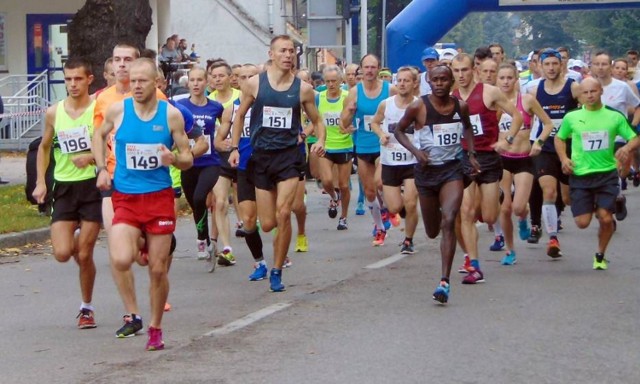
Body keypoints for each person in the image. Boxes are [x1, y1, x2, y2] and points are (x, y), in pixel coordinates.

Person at [92, 58, 193, 350]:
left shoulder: (171, 115)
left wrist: (173, 158)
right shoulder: (118, 110)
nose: (136, 86)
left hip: (159, 198)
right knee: (122, 258)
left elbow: (188, 157)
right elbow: (98, 135)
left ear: (156, 83)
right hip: (126, 196)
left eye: (142, 81)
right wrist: (101, 169)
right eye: (132, 80)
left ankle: (155, 327)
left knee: (158, 271)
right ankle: (142, 244)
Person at [228, 35, 325, 292]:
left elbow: (318, 120)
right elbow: (239, 117)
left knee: (284, 212)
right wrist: (235, 147)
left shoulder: (302, 89)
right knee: (268, 223)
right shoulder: (254, 84)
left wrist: (318, 140)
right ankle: (273, 257)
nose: (288, 55)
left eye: (291, 51)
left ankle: (277, 269)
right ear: (271, 54)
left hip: (289, 157)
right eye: (283, 51)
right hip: (261, 156)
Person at [394, 65, 479, 303]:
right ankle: (435, 228)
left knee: (449, 220)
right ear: (428, 82)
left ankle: (444, 281)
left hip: (452, 170)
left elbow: (468, 128)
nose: (440, 83)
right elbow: (399, 131)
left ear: (451, 82)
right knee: (432, 231)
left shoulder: (460, 106)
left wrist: (470, 154)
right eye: (435, 80)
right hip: (426, 173)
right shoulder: (418, 107)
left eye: (444, 80)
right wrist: (416, 151)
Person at [32, 58, 102, 328]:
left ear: (89, 80)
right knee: (63, 253)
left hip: (92, 187)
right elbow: (44, 147)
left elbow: (109, 146)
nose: (72, 84)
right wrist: (41, 182)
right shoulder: (54, 112)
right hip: (63, 187)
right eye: (68, 79)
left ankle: (86, 308)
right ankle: (75, 235)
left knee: (84, 255)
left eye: (78, 79)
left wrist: (91, 158)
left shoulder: (99, 110)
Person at [450, 53, 523, 284]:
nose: (461, 75)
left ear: (474, 69)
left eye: (465, 70)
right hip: (463, 157)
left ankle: (498, 196)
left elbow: (517, 116)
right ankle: (475, 266)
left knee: (489, 216)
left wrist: (507, 140)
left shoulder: (489, 92)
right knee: (467, 213)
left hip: (489, 158)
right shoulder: (450, 97)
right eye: (456, 70)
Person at [555, 77, 639, 270]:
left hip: (606, 174)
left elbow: (634, 138)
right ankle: (598, 203)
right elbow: (559, 139)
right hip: (580, 175)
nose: (590, 95)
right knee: (582, 223)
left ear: (601, 91)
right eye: (585, 92)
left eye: (593, 91)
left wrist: (627, 148)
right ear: (580, 96)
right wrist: (564, 159)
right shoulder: (572, 117)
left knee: (606, 218)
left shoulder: (614, 116)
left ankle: (600, 255)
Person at [495, 63, 554, 265]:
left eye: (509, 78)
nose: (505, 82)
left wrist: (538, 142)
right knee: (504, 208)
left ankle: (523, 217)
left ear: (516, 79)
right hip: (502, 160)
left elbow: (548, 124)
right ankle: (510, 250)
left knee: (518, 207)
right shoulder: (494, 103)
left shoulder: (527, 100)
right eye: (501, 78)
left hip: (523, 159)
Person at [216, 63, 269, 280]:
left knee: (269, 221)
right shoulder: (233, 108)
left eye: (252, 76)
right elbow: (219, 141)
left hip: (269, 166)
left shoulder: (270, 103)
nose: (247, 80)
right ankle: (260, 262)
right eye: (243, 77)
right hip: (245, 167)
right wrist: (229, 145)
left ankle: (282, 250)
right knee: (248, 220)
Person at [341, 54, 397, 246]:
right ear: (361, 70)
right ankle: (380, 227)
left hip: (384, 144)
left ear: (379, 69)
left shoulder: (390, 90)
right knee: (370, 192)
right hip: (363, 144)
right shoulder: (354, 92)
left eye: (373, 67)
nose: (370, 71)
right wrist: (349, 113)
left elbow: (402, 110)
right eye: (366, 67)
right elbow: (343, 124)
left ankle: (389, 207)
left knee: (380, 182)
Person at [529, 48, 580, 258]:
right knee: (548, 192)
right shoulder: (534, 90)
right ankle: (552, 238)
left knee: (567, 199)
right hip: (546, 147)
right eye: (546, 64)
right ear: (540, 66)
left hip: (569, 148)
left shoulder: (573, 88)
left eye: (554, 64)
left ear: (561, 66)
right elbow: (524, 118)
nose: (550, 68)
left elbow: (590, 112)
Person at [177, 67, 224, 261]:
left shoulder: (216, 107)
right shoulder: (179, 107)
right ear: (188, 83)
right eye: (192, 80)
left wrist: (225, 140)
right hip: (189, 162)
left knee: (199, 198)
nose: (196, 84)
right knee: (194, 203)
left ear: (207, 83)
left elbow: (227, 125)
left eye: (199, 80)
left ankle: (202, 239)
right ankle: (202, 237)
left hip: (210, 162)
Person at [371, 66, 419, 253]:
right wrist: (381, 133)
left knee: (411, 202)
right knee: (395, 206)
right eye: (399, 80)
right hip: (390, 161)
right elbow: (375, 122)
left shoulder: (419, 105)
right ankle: (405, 212)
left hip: (412, 161)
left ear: (415, 83)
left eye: (406, 80)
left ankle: (408, 240)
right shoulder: (386, 104)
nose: (402, 84)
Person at [208, 60, 242, 266]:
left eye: (221, 76)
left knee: (244, 202)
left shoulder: (242, 97)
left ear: (231, 78)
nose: (217, 79)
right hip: (218, 156)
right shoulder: (207, 101)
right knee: (219, 201)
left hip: (242, 154)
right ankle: (226, 248)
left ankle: (247, 225)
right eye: (214, 76)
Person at [317, 65, 353, 230]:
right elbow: (315, 120)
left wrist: (352, 127)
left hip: (344, 145)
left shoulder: (347, 96)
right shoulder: (319, 97)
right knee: (326, 181)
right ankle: (333, 195)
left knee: (344, 185)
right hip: (326, 145)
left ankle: (344, 217)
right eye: (327, 81)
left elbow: (354, 116)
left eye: (334, 81)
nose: (331, 84)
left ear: (341, 81)